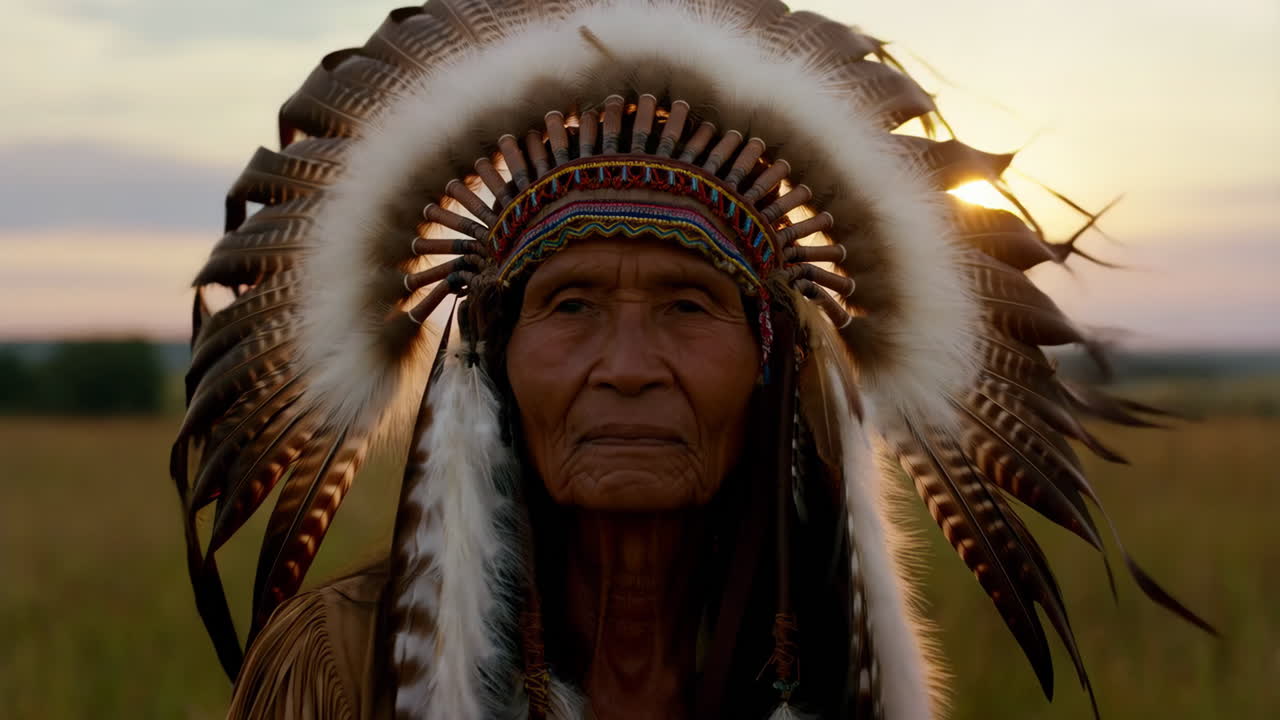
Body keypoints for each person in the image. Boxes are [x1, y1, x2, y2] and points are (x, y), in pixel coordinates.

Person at [170, 2, 1213, 718]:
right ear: (491, 354)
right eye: (570, 305)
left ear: (769, 357)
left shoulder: (833, 673)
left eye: (687, 305)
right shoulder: (343, 669)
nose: (627, 365)